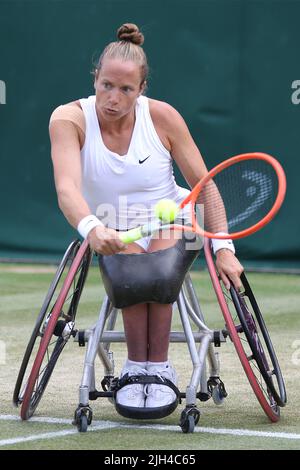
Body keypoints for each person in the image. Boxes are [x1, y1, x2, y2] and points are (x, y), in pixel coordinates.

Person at [49, 23, 243, 412]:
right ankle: (136, 369)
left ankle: (161, 369)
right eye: (106, 85)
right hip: (109, 220)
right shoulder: (68, 119)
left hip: (175, 218)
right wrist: (92, 228)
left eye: (126, 89)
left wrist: (223, 247)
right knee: (133, 271)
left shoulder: (162, 117)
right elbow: (68, 189)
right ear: (95, 79)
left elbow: (204, 185)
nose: (113, 98)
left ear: (141, 90)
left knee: (155, 270)